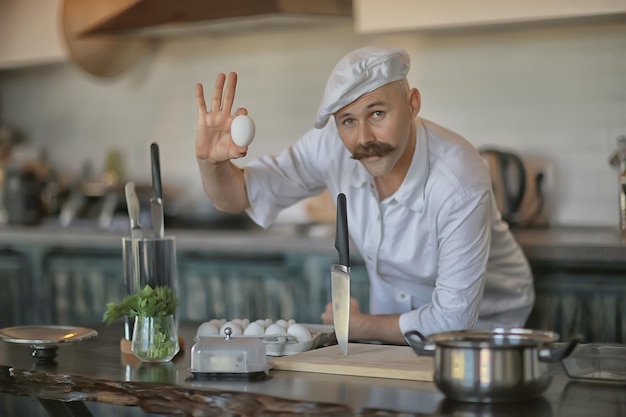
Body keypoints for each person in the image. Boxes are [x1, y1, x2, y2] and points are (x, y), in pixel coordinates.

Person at [195, 45, 534, 345]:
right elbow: (237, 197)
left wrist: (360, 326)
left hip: (486, 333)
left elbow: (454, 321)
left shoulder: (458, 178)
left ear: (413, 103)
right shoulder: (331, 145)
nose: (363, 138)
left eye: (377, 113)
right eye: (348, 121)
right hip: (392, 330)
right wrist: (210, 162)